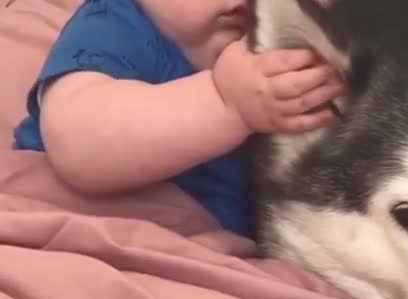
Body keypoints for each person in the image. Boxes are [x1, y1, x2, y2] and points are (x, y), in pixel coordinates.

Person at [12, 0, 343, 236]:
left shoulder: (286, 52)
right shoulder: (116, 24)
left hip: (218, 254)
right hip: (86, 225)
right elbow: (78, 142)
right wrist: (223, 103)